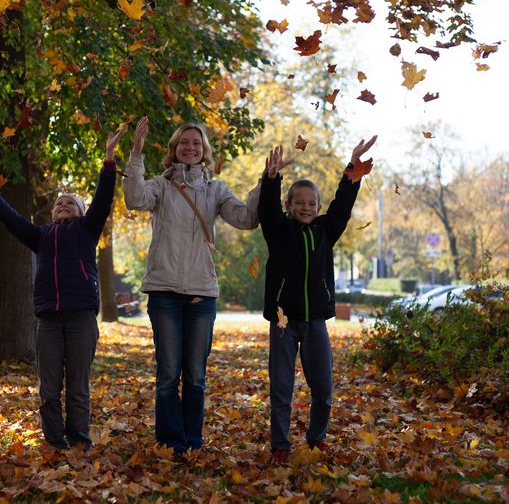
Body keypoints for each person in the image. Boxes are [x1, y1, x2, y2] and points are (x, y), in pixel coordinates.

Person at [0, 125, 127, 451]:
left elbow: (103, 197)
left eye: (70, 202)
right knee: (48, 389)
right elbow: (10, 216)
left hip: (81, 320)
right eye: (59, 202)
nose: (62, 204)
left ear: (82, 212)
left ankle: (79, 443)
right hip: (47, 321)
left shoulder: (87, 231)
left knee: (77, 387)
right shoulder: (41, 237)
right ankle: (55, 444)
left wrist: (109, 157)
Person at [124, 116, 261, 455]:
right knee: (169, 373)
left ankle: (193, 441)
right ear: (174, 149)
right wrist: (136, 153)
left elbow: (247, 219)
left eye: (196, 143)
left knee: (196, 376)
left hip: (202, 291)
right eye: (184, 142)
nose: (190, 147)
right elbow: (134, 198)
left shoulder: (215, 190)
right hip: (164, 290)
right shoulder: (160, 186)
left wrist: (264, 184)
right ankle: (171, 442)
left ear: (204, 151)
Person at [258, 136, 377, 465]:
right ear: (289, 205)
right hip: (284, 322)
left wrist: (353, 165)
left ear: (318, 206)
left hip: (315, 324)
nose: (306, 208)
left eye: (312, 203)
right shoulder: (279, 230)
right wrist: (271, 179)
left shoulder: (327, 230)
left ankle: (316, 439)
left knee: (323, 389)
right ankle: (280, 446)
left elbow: (343, 205)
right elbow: (267, 210)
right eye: (299, 203)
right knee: (282, 388)